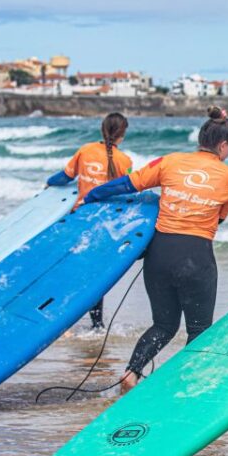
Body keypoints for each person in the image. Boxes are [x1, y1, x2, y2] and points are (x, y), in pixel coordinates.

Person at [85, 106, 228, 393]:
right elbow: (220, 216)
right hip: (196, 257)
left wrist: (91, 196)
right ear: (223, 144)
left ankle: (131, 373)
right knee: (199, 331)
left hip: (159, 255)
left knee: (164, 325)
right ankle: (185, 387)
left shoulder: (169, 162)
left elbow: (126, 185)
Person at [45, 112, 133, 328]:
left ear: (102, 129)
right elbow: (129, 190)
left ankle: (59, 316)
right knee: (96, 274)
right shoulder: (124, 161)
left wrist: (48, 183)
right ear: (123, 134)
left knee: (77, 270)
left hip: (79, 219)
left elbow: (64, 177)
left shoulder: (85, 150)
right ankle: (97, 324)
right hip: (106, 224)